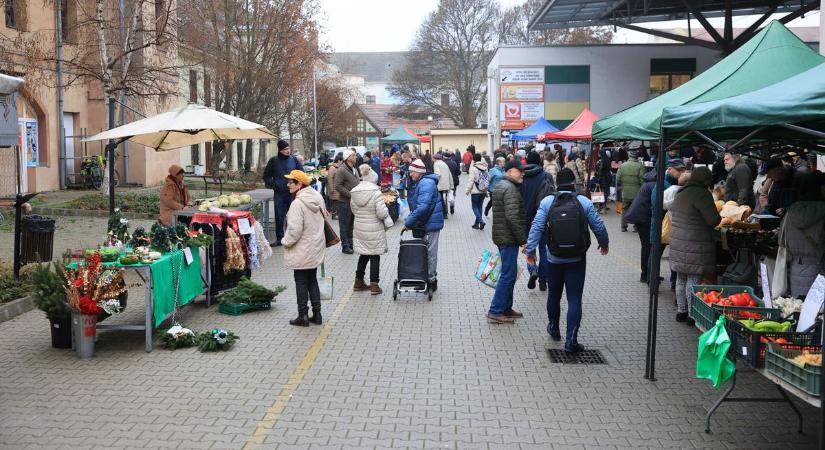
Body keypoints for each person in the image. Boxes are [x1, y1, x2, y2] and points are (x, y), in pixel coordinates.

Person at [526, 168, 609, 353]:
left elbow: (537, 226)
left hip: (553, 258)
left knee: (554, 295)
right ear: (573, 183)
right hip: (577, 258)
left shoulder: (548, 202)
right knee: (574, 298)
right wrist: (604, 243)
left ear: (557, 183)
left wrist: (531, 251)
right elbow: (598, 225)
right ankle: (571, 340)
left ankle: (554, 328)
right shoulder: (584, 201)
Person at [668, 167, 720, 323]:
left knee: (681, 278)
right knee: (693, 279)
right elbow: (713, 220)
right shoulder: (702, 194)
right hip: (696, 243)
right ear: (706, 180)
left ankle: (681, 311)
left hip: (678, 241)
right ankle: (692, 314)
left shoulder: (681, 193)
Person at [281, 170, 327, 327]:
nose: (288, 184)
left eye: (291, 182)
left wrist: (285, 242)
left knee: (300, 282)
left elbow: (294, 231)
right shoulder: (318, 197)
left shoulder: (297, 203)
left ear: (300, 184)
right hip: (315, 246)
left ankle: (303, 316)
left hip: (301, 248)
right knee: (312, 280)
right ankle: (318, 314)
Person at [487, 160, 527, 324]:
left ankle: (506, 308)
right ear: (510, 171)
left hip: (503, 236)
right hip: (508, 238)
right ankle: (496, 310)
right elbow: (512, 217)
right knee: (507, 275)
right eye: (520, 171)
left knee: (509, 274)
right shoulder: (509, 188)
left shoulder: (502, 185)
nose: (522, 174)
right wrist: (522, 240)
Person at [777, 173, 825, 297]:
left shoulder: (790, 211)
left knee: (798, 308)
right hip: (820, 270)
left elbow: (781, 241)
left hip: (795, 270)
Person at [404, 159, 445, 290]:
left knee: (430, 253)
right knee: (424, 251)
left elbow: (422, 207)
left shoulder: (426, 183)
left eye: (412, 172)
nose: (410, 174)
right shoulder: (422, 182)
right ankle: (425, 279)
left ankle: (431, 281)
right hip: (426, 221)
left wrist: (408, 222)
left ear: (419, 172)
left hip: (431, 223)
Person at [350, 165, 391, 295]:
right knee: (374, 255)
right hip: (374, 228)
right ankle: (374, 285)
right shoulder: (376, 193)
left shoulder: (355, 192)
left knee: (364, 254)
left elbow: (354, 210)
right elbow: (381, 213)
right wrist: (387, 212)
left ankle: (358, 281)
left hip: (360, 227)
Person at [521, 151, 555, 291]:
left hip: (525, 219)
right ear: (539, 161)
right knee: (544, 249)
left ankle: (532, 270)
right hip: (543, 218)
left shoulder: (521, 176)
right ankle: (543, 280)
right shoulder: (546, 176)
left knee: (529, 247)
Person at [263, 139, 303, 246]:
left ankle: (293, 237)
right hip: (279, 193)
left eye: (288, 148)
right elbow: (266, 176)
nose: (288, 150)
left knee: (293, 216)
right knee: (279, 217)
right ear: (280, 150)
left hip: (292, 193)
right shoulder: (273, 161)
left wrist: (298, 185)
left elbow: (301, 173)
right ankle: (280, 238)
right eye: (285, 149)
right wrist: (274, 184)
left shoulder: (294, 160)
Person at [624, 169, 657, 283]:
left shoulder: (648, 182)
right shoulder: (654, 185)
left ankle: (647, 273)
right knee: (647, 246)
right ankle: (646, 274)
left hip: (639, 216)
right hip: (643, 218)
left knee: (646, 246)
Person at [333, 149, 361, 254]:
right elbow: (338, 186)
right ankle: (345, 246)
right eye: (353, 155)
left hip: (353, 202)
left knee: (351, 224)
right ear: (348, 158)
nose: (356, 157)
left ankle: (350, 243)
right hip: (344, 202)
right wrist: (351, 194)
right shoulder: (342, 170)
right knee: (344, 224)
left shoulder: (354, 169)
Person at [615, 149, 645, 232]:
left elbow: (618, 178)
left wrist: (622, 185)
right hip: (637, 192)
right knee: (636, 209)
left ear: (629, 156)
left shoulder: (623, 165)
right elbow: (642, 180)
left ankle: (623, 226)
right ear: (637, 157)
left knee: (624, 208)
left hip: (625, 191)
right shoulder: (640, 166)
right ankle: (636, 227)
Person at [466, 153, 489, 229]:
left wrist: (467, 190)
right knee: (480, 206)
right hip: (483, 190)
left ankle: (481, 221)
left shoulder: (473, 168)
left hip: (475, 191)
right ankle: (476, 224)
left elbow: (471, 180)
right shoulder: (485, 167)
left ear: (473, 160)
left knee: (474, 206)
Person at [433, 153, 454, 218]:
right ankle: (444, 213)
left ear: (435, 158)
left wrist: (435, 182)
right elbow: (449, 174)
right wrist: (451, 185)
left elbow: (437, 174)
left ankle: (444, 213)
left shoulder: (436, 164)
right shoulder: (444, 163)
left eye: (433, 158)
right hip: (446, 185)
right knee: (442, 199)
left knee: (440, 199)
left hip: (440, 185)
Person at [326, 154, 343, 219]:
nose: (342, 162)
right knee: (335, 202)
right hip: (334, 188)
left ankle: (336, 214)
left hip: (338, 189)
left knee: (337, 202)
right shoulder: (332, 168)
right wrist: (331, 189)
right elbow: (330, 179)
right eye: (341, 161)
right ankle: (334, 215)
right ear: (338, 161)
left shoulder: (338, 167)